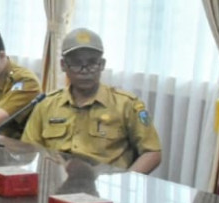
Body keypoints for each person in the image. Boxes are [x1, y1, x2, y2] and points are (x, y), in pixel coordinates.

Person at [21, 27, 162, 173]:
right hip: (55, 183)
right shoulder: (46, 104)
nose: (85, 70)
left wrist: (126, 181)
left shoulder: (126, 105)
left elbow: (152, 152)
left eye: (92, 63)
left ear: (102, 64)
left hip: (105, 187)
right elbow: (28, 150)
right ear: (63, 66)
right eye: (76, 63)